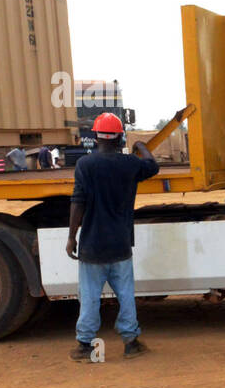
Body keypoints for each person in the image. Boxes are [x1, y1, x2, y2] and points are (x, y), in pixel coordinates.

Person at [66, 112, 160, 361]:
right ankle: (131, 343)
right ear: (120, 138)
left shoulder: (85, 165)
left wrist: (71, 237)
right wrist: (141, 147)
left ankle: (85, 346)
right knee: (126, 295)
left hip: (92, 246)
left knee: (89, 297)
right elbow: (153, 166)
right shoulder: (130, 164)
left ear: (96, 137)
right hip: (120, 245)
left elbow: (78, 203)